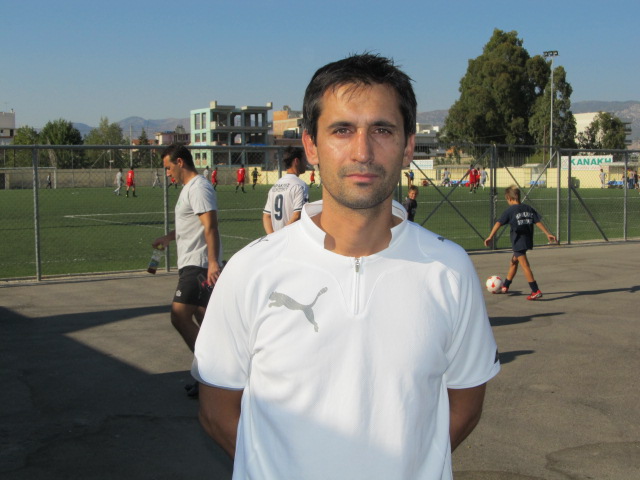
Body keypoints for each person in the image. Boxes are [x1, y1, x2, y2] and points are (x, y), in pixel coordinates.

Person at [193, 53, 500, 480]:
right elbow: (217, 411)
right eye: (342, 130)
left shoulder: (449, 270)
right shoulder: (251, 271)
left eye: (382, 130)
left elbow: (465, 405)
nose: (363, 151)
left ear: (408, 146)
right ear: (311, 146)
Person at [152, 144, 223, 397]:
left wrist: (212, 262)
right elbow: (190, 224)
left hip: (199, 264)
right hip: (193, 263)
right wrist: (169, 238)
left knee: (179, 315)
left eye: (168, 167)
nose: (167, 173)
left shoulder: (199, 187)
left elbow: (210, 226)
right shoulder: (188, 189)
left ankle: (210, 372)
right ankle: (214, 377)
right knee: (205, 321)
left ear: (180, 162)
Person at [484, 185, 557, 300]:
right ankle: (506, 285)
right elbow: (537, 221)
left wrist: (490, 236)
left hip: (518, 241)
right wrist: (547, 233)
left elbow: (498, 223)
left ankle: (535, 290)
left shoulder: (510, 210)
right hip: (527, 241)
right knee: (513, 262)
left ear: (509, 198)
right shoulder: (528, 208)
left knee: (525, 265)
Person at [262, 146, 308, 234]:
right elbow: (297, 215)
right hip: (292, 236)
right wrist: (283, 235)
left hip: (279, 238)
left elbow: (266, 216)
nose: (306, 163)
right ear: (296, 161)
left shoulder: (275, 186)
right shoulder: (300, 185)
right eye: (304, 160)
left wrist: (273, 237)